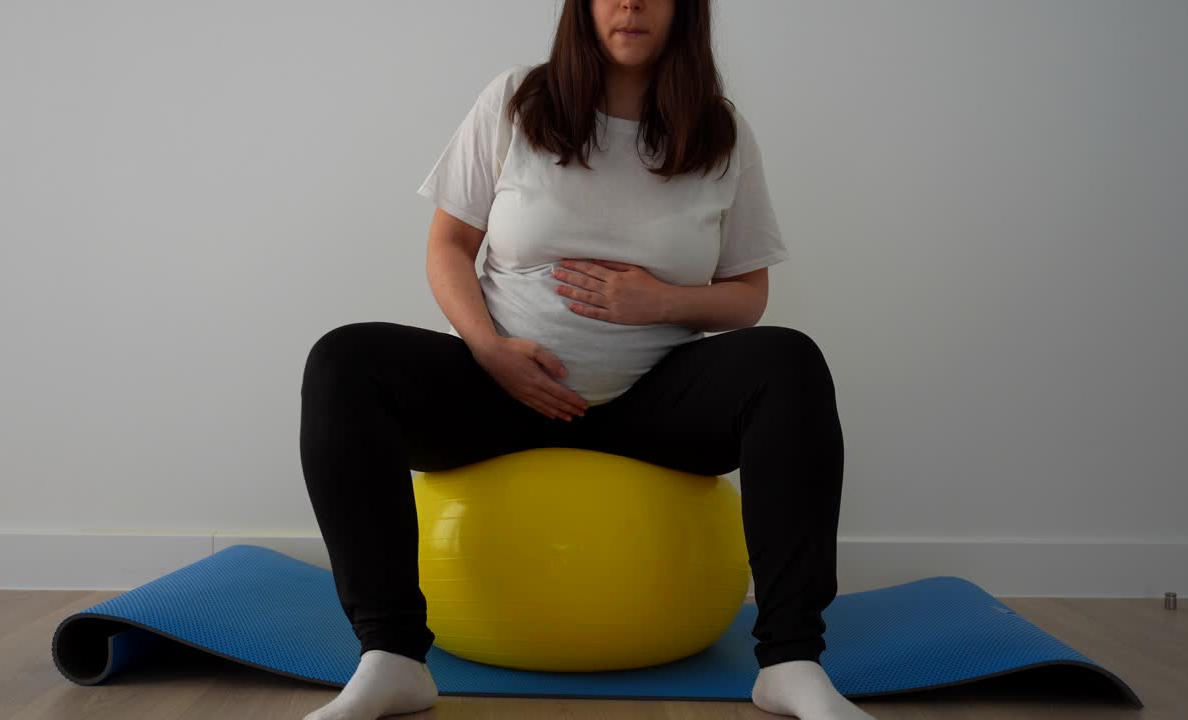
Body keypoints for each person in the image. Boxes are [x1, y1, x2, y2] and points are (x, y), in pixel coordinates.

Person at [300, 1, 870, 719]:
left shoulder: (721, 132)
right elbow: (448, 246)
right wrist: (489, 349)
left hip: (651, 405)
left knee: (790, 361)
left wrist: (660, 302)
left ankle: (790, 663)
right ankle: (390, 656)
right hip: (501, 391)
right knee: (345, 359)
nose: (629, 3)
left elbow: (748, 296)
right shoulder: (516, 99)